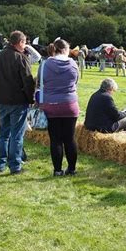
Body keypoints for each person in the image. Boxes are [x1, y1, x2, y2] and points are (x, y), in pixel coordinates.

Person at [0, 30, 35, 175]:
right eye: (25, 42)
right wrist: (30, 98)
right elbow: (28, 82)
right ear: (20, 42)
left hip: (1, 101)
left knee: (3, 135)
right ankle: (15, 165)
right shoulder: (20, 58)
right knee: (16, 135)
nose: (25, 45)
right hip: (18, 101)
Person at [37, 39, 79, 176]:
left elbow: (39, 83)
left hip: (51, 105)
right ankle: (72, 169)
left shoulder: (44, 65)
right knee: (70, 138)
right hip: (69, 104)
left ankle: (57, 170)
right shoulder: (73, 64)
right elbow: (76, 82)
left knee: (55, 140)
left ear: (54, 49)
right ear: (66, 49)